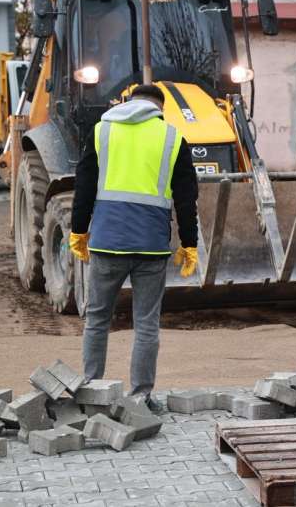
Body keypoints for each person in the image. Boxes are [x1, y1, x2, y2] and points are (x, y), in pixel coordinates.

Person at [68, 84, 199, 412]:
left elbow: (83, 187)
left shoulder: (101, 132)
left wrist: (78, 231)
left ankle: (91, 389)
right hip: (151, 247)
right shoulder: (171, 137)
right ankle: (140, 396)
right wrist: (190, 243)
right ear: (159, 108)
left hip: (107, 243)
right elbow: (186, 199)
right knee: (146, 323)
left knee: (97, 318)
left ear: (127, 102)